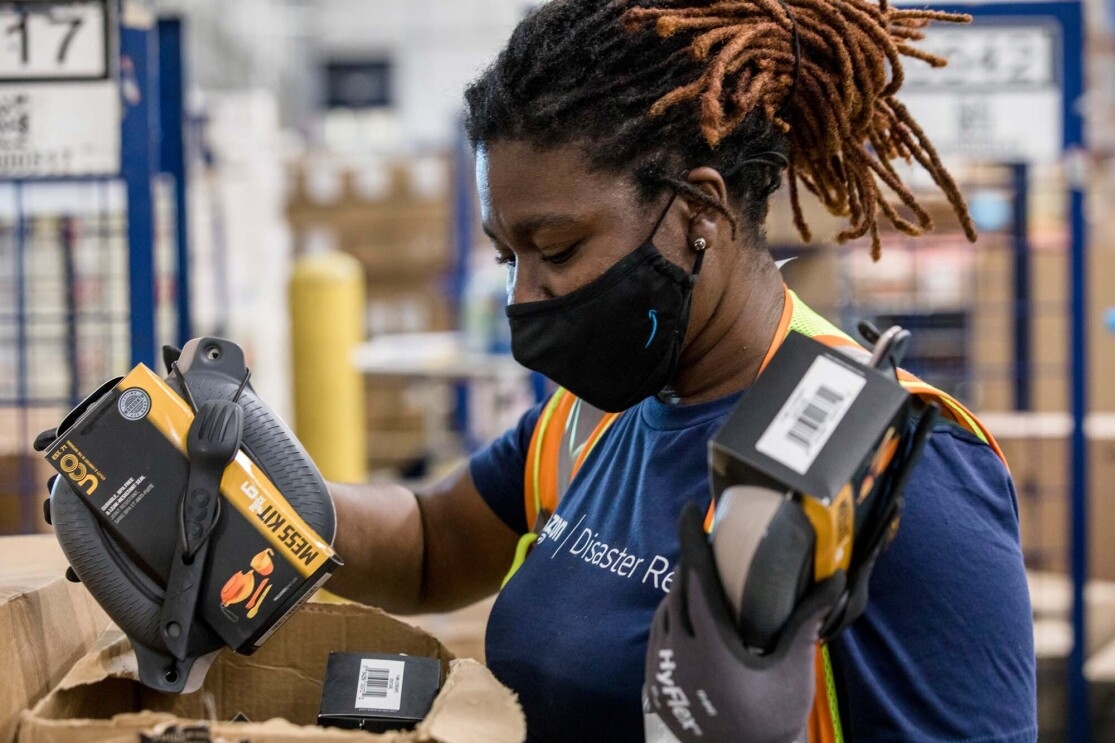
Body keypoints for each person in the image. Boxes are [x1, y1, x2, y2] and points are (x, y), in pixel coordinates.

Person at [327, 0, 1037, 740]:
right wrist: (252, 488)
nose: (523, 298)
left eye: (558, 249)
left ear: (698, 208)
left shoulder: (895, 469)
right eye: (510, 257)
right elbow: (432, 544)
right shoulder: (595, 415)